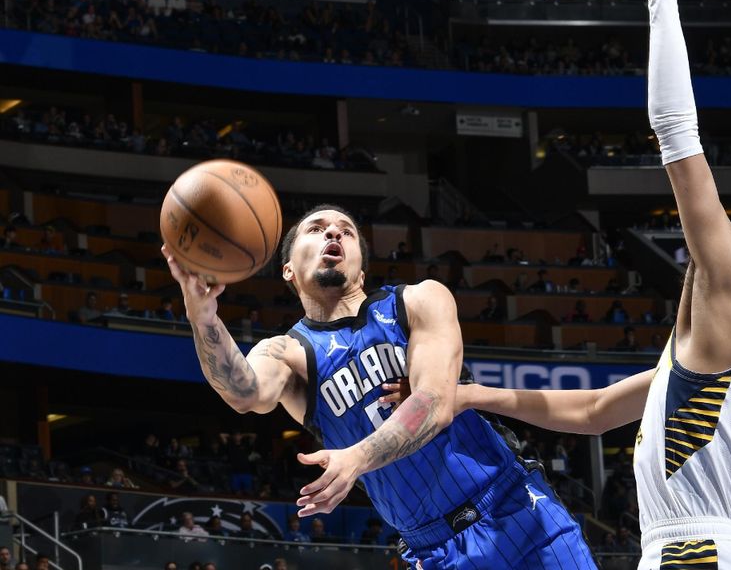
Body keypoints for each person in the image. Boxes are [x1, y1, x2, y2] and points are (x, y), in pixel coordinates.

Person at [400, 0, 731, 568]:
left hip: (695, 553)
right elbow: (592, 412)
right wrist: (468, 394)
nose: (723, 228)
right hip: (697, 549)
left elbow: (676, 133)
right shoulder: (722, 356)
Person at [162, 204, 597, 569]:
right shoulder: (288, 352)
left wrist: (357, 458)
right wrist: (203, 318)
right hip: (432, 550)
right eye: (317, 228)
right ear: (289, 270)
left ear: (361, 268)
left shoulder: (418, 301)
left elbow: (434, 402)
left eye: (346, 231)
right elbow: (243, 393)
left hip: (513, 507)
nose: (334, 230)